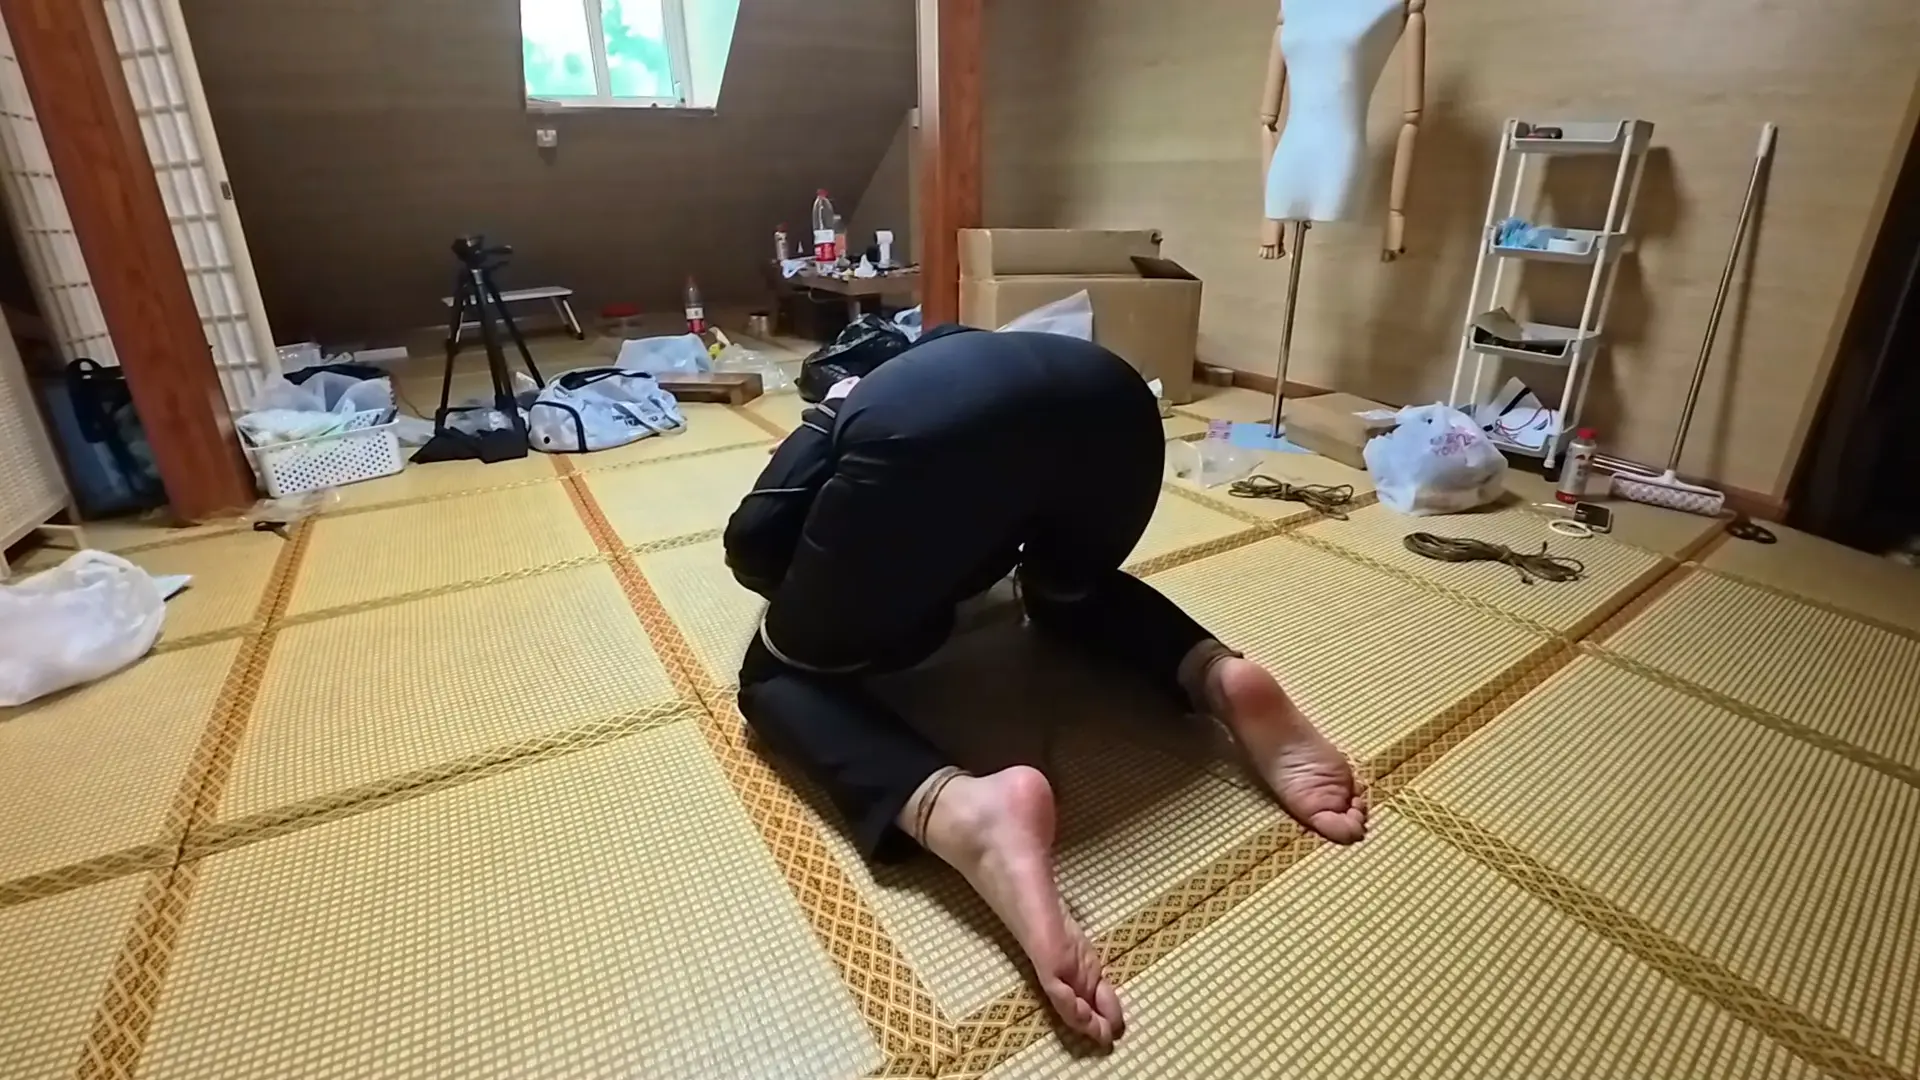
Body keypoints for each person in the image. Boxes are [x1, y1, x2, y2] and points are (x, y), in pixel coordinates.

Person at [724, 327, 1367, 1046]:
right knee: (1066, 590)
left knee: (774, 674)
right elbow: (1004, 473)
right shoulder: (955, 341)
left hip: (923, 442)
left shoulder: (846, 399)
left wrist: (824, 583)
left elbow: (755, 537)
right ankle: (1215, 671)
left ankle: (963, 810)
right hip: (1117, 404)